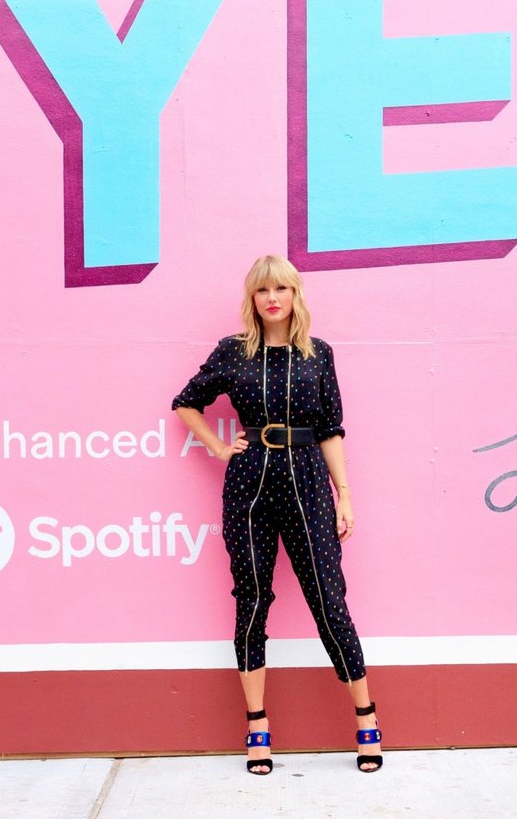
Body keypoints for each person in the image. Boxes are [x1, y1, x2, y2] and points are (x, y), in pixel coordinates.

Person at [172, 254, 382, 774]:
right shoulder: (233, 352)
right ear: (252, 298)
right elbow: (185, 402)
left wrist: (345, 495)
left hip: (309, 482)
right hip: (250, 485)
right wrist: (220, 449)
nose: (273, 298)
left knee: (329, 600)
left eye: (282, 289)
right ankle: (257, 724)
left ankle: (366, 718)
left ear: (295, 296)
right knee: (252, 599)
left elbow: (332, 427)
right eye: (263, 290)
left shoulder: (319, 354)